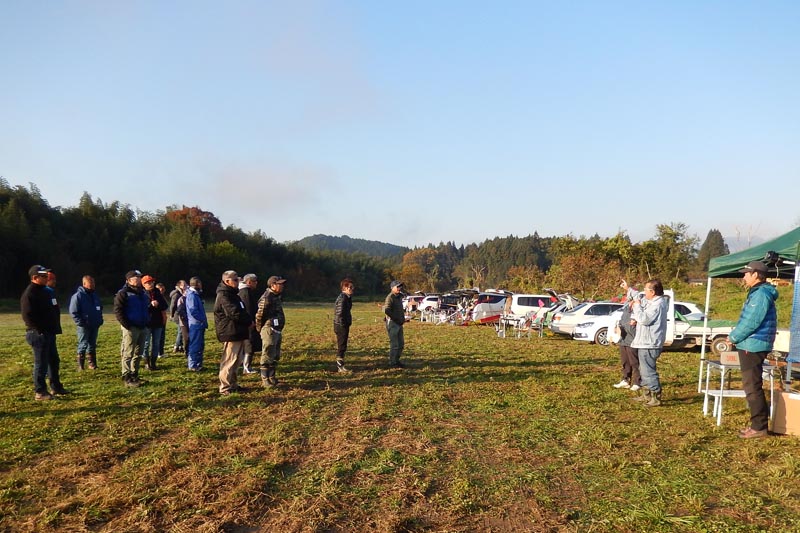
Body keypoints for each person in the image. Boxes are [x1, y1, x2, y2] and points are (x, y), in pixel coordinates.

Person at [727, 260, 779, 439]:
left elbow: (752, 321)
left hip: (753, 344)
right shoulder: (759, 292)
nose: (744, 277)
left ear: (756, 275)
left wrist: (733, 337)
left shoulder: (761, 294)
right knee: (752, 385)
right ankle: (758, 425)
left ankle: (759, 427)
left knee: (752, 386)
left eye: (746, 273)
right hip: (753, 343)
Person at [21, 265, 67, 400]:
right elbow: (27, 316)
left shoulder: (46, 291)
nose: (47, 278)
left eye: (47, 276)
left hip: (49, 332)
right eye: (43, 276)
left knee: (54, 361)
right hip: (38, 334)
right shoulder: (30, 294)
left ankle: (56, 387)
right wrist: (40, 330)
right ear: (35, 278)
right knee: (41, 364)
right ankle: (40, 391)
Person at [630, 279, 669, 407]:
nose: (644, 292)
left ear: (652, 292)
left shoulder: (657, 304)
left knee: (648, 371)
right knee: (643, 370)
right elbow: (640, 303)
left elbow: (644, 319)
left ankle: (655, 396)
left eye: (646, 289)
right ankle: (646, 394)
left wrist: (636, 306)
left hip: (650, 343)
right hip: (645, 342)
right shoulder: (652, 302)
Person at [214, 270, 252, 395]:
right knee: (229, 360)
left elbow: (241, 310)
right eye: (235, 280)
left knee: (237, 360)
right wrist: (248, 321)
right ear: (227, 281)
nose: (238, 282)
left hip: (237, 330)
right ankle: (225, 387)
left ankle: (233, 384)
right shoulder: (224, 295)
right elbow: (234, 313)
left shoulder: (233, 294)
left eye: (238, 279)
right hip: (230, 331)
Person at [113, 270, 150, 387]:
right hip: (131, 327)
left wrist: (147, 321)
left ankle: (134, 374)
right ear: (129, 280)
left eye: (139, 277)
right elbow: (118, 310)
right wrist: (127, 325)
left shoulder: (142, 293)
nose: (139, 279)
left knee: (139, 353)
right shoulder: (123, 293)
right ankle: (126, 376)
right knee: (128, 352)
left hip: (142, 326)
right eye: (136, 277)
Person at [255, 275, 286, 387]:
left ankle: (272, 378)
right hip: (269, 329)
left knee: (274, 355)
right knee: (267, 354)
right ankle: (265, 379)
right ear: (273, 285)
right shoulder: (267, 297)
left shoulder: (276, 296)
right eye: (279, 284)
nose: (282, 286)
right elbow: (259, 315)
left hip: (276, 329)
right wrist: (260, 329)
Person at [68, 275, 104, 370]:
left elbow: (100, 308)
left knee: (92, 344)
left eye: (93, 283)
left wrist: (100, 319)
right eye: (90, 283)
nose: (93, 285)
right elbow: (73, 311)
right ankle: (81, 365)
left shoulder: (94, 295)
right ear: (84, 284)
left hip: (94, 324)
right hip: (84, 326)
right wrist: (81, 323)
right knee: (83, 344)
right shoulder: (78, 296)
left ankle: (92, 363)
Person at [612, 281, 640, 391]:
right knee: (625, 361)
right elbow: (622, 321)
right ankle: (625, 380)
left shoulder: (638, 308)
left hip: (633, 339)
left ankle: (637, 382)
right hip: (623, 338)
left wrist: (628, 288)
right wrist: (617, 328)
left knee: (634, 362)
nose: (628, 299)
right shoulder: (626, 308)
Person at [141, 275, 168, 371]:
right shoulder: (141, 294)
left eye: (152, 282)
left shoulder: (158, 293)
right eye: (148, 283)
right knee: (146, 344)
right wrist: (150, 305)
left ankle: (153, 362)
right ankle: (147, 363)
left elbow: (165, 306)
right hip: (147, 322)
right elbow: (140, 308)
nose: (151, 284)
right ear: (143, 284)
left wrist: (158, 304)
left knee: (156, 343)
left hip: (158, 322)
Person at [238, 273, 261, 374]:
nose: (256, 283)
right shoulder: (245, 293)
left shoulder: (243, 291)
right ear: (248, 282)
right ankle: (246, 367)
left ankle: (244, 364)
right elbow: (248, 309)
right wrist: (251, 321)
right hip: (249, 324)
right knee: (249, 344)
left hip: (246, 323)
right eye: (254, 281)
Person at [185, 276, 208, 371]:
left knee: (200, 345)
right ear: (197, 284)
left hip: (199, 324)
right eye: (200, 283)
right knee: (195, 344)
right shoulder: (192, 295)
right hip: (196, 324)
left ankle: (198, 364)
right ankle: (193, 365)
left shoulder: (195, 295)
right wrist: (201, 319)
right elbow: (193, 310)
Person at [333, 278, 355, 373]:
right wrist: (343, 323)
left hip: (343, 324)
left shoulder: (347, 297)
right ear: (345, 288)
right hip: (341, 325)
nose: (352, 289)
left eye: (353, 287)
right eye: (350, 287)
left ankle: (341, 365)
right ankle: (340, 366)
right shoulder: (343, 298)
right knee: (341, 346)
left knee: (343, 345)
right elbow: (339, 312)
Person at [383, 280, 406, 368]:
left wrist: (402, 319)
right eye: (398, 286)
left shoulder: (399, 297)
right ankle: (393, 362)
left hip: (399, 323)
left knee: (401, 344)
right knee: (395, 344)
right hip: (393, 323)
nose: (400, 288)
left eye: (400, 286)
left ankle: (397, 360)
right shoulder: (390, 297)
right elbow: (387, 310)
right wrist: (396, 319)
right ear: (392, 288)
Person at [168, 280, 187, 353]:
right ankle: (176, 346)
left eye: (185, 284)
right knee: (181, 331)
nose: (185, 286)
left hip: (181, 314)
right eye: (183, 285)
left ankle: (180, 346)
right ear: (179, 286)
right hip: (178, 314)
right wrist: (171, 315)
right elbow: (172, 305)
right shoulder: (177, 294)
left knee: (181, 330)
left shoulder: (183, 293)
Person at [156, 282, 168, 358]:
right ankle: (159, 352)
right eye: (160, 289)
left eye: (163, 289)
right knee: (159, 337)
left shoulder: (162, 297)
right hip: (159, 319)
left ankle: (160, 352)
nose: (161, 291)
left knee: (161, 336)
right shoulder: (157, 298)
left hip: (162, 319)